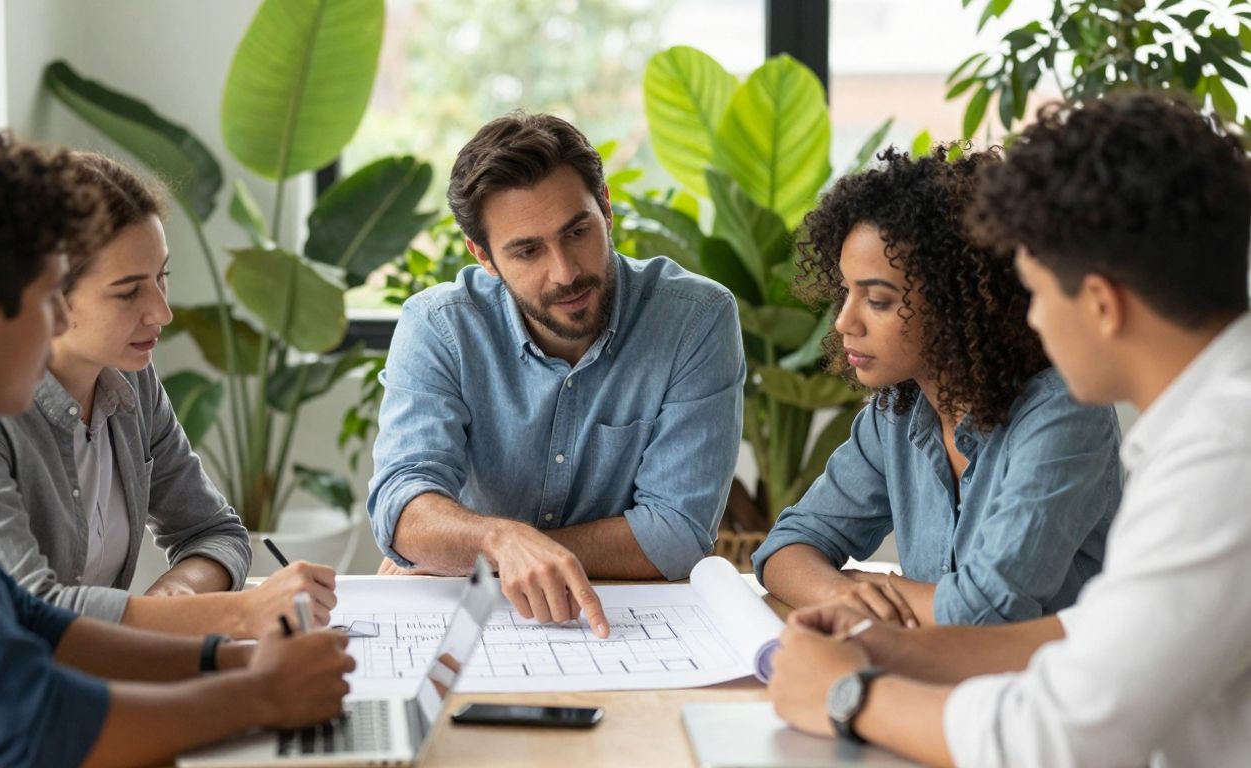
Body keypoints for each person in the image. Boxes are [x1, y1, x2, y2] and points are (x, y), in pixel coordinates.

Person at [769, 92, 1251, 766]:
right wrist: (893, 644)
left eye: (1037, 292)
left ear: (1102, 305)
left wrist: (851, 696)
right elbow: (1096, 631)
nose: (1030, 321)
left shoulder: (1223, 458)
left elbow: (1062, 735)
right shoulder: (1214, 423)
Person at [0, 124, 353, 768]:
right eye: (50, 297)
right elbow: (31, 723)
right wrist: (260, 693)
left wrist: (228, 656)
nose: (56, 325)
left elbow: (33, 622)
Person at [367, 112, 744, 636]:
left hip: (627, 621)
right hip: (476, 618)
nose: (565, 272)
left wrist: (479, 551)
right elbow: (402, 506)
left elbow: (676, 535)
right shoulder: (438, 326)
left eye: (577, 232)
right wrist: (499, 544)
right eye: (527, 250)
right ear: (485, 258)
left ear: (606, 209)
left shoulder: (695, 318)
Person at [0, 152, 335, 637]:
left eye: (162, 278)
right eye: (128, 292)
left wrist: (172, 601)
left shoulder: (131, 382)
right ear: (48, 293)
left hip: (96, 680)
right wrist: (237, 614)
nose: (161, 311)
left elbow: (214, 532)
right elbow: (31, 611)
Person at [752, 147, 1122, 627]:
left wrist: (878, 585)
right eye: (846, 291)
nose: (844, 321)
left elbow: (988, 611)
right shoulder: (895, 412)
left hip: (1050, 692)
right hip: (937, 674)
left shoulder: (1065, 413)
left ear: (956, 305)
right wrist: (841, 593)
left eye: (878, 301)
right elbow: (786, 547)